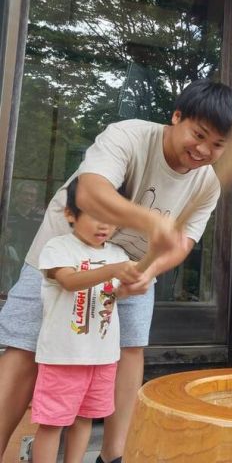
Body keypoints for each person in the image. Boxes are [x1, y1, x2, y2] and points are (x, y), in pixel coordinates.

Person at [0, 79, 232, 463]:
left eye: (217, 145)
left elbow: (184, 243)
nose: (202, 150)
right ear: (176, 117)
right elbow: (90, 192)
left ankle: (112, 455)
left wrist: (152, 271)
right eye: (198, 135)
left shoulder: (207, 185)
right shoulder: (128, 136)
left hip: (131, 268)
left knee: (127, 350)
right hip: (67, 249)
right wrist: (150, 222)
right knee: (26, 347)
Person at [31, 178, 136, 463]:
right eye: (95, 215)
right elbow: (69, 282)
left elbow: (117, 294)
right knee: (52, 423)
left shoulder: (117, 253)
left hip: (102, 358)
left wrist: (134, 284)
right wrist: (113, 270)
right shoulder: (58, 248)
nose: (104, 225)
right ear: (70, 213)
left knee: (85, 419)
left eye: (111, 217)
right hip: (62, 358)